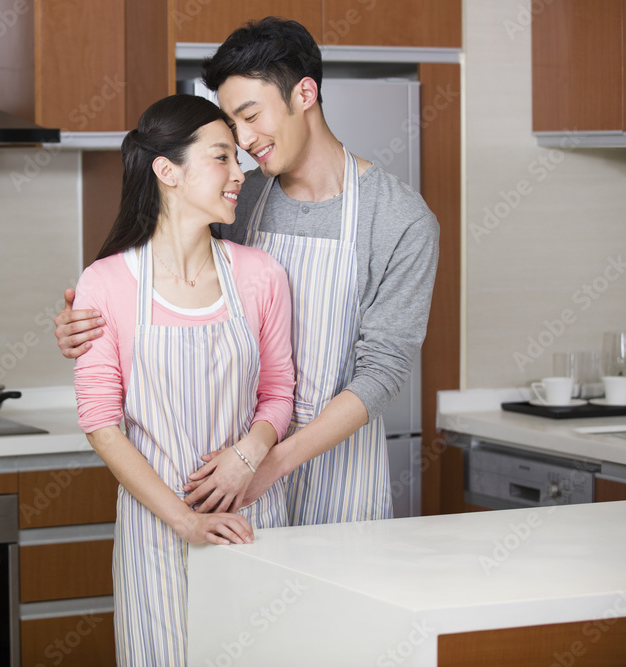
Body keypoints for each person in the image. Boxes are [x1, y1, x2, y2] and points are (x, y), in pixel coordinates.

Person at [59, 17, 439, 526]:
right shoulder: (240, 197)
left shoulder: (400, 218)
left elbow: (383, 370)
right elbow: (175, 286)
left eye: (251, 115)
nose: (243, 140)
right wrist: (88, 326)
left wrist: (268, 462)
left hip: (337, 473)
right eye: (231, 125)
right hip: (233, 470)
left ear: (304, 93)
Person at [73, 93, 294, 665]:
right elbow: (101, 422)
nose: (239, 173)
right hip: (157, 534)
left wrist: (249, 451)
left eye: (237, 158)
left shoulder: (261, 275)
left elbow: (278, 395)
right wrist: (185, 519)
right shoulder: (105, 283)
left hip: (253, 523)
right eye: (222, 157)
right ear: (167, 171)